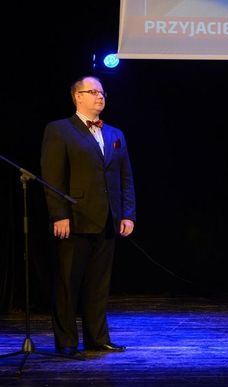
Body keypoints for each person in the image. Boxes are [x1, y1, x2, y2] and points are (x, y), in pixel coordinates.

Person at [41, 76, 136, 357]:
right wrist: (59, 214)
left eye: (102, 92)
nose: (99, 96)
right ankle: (66, 341)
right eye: (92, 91)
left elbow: (125, 177)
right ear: (77, 97)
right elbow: (53, 177)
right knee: (68, 284)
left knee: (98, 284)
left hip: (107, 218)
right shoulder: (59, 129)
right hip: (75, 218)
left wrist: (127, 213)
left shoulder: (115, 134)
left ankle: (97, 338)